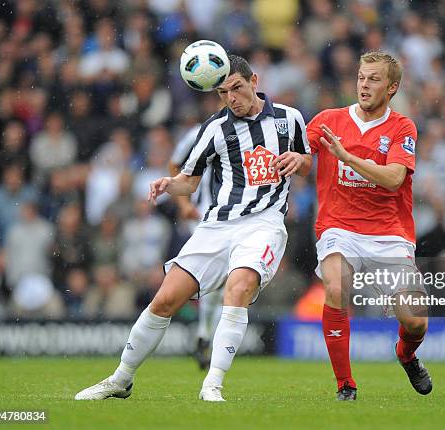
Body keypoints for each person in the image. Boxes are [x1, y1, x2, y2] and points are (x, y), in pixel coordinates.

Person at [75, 55, 312, 402]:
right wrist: (168, 184)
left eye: (237, 88)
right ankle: (121, 378)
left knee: (239, 288)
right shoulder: (215, 129)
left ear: (254, 81)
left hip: (264, 222)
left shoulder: (289, 119)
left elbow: (306, 161)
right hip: (216, 225)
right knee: (165, 299)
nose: (232, 98)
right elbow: (190, 180)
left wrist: (298, 160)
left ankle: (212, 384)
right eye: (223, 92)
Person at [306, 51, 432, 400]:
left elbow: (393, 178)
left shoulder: (402, 127)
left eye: (374, 79)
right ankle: (345, 385)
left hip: (389, 234)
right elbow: (303, 155)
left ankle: (406, 355)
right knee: (336, 286)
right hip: (339, 227)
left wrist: (348, 158)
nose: (364, 84)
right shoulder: (328, 120)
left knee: (415, 320)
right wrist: (293, 159)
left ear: (392, 87)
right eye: (362, 76)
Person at [168, 123, 222, 370]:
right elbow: (174, 164)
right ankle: (208, 338)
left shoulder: (253, 129)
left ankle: (204, 336)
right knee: (215, 280)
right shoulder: (198, 133)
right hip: (202, 217)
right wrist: (184, 205)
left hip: (235, 216)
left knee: (221, 281)